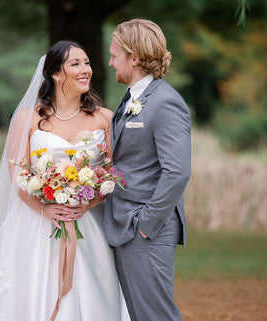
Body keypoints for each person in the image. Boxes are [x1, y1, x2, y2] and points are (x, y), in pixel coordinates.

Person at [0, 41, 130, 321]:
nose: (86, 70)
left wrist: (88, 202)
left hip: (90, 225)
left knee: (94, 296)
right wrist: (44, 208)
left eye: (87, 63)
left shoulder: (105, 118)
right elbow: (16, 173)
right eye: (76, 64)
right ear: (56, 74)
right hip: (34, 224)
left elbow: (112, 174)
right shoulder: (26, 119)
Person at [104, 19, 191, 321]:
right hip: (124, 224)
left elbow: (177, 172)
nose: (110, 61)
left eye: (115, 55)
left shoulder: (166, 103)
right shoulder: (131, 99)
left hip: (146, 231)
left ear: (135, 58)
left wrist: (145, 226)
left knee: (156, 316)